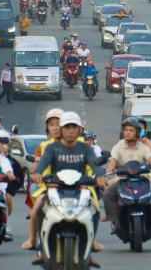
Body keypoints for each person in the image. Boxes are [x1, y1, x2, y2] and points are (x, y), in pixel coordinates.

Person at [30, 112, 105, 266]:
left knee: (95, 208)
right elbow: (43, 163)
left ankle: (91, 245)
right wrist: (37, 173)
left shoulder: (86, 149)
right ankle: (38, 245)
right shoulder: (52, 148)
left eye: (74, 127)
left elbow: (95, 165)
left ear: (80, 130)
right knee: (38, 207)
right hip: (55, 188)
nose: (70, 130)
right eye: (67, 127)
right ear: (62, 129)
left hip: (81, 188)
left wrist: (100, 176)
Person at [103, 117, 151, 235]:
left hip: (142, 180)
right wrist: (109, 170)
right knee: (107, 194)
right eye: (126, 130)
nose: (127, 133)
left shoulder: (144, 147)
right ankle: (116, 221)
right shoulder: (118, 147)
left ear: (137, 133)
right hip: (122, 180)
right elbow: (112, 161)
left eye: (131, 130)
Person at [22, 108, 64, 250]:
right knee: (36, 204)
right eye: (52, 125)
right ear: (47, 128)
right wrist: (36, 172)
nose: (55, 128)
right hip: (48, 185)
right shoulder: (43, 146)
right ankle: (33, 238)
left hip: (70, 185)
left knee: (91, 206)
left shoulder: (74, 145)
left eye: (58, 124)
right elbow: (35, 167)